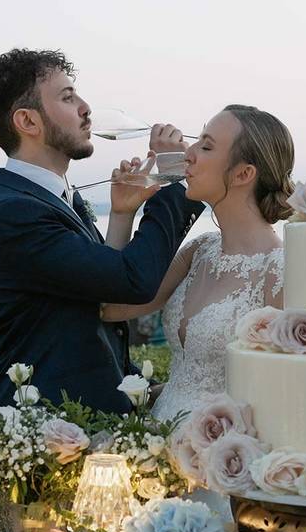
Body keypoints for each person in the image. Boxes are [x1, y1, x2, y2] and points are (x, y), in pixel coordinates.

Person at [0, 48, 204, 413]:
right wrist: (173, 176)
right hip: (47, 431)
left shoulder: (52, 199)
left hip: (86, 424)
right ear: (28, 122)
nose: (85, 107)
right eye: (67, 97)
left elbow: (101, 297)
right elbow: (134, 281)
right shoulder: (13, 213)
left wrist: (123, 214)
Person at [102, 104, 294, 421]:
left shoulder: (280, 271)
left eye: (205, 146)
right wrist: (122, 215)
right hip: (158, 438)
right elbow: (112, 306)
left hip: (221, 452)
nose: (188, 154)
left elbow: (281, 395)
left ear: (244, 173)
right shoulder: (198, 251)